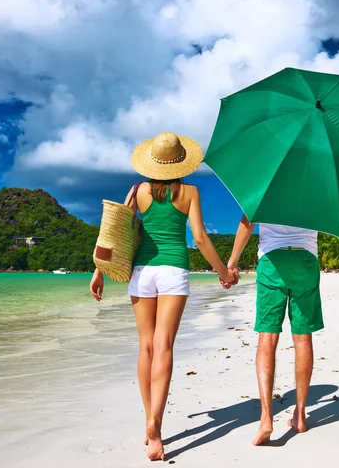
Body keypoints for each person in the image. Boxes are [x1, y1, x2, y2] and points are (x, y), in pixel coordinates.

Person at [90, 132, 239, 461]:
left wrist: (99, 270)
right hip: (173, 271)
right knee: (165, 346)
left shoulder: (137, 190)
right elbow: (199, 237)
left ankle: (149, 421)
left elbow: (114, 232)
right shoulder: (190, 192)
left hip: (142, 273)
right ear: (181, 162)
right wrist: (222, 271)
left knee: (145, 346)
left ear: (152, 162)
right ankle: (157, 423)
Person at [227, 217, 323, 445]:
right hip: (305, 260)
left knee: (267, 339)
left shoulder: (267, 184)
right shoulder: (317, 186)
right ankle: (300, 416)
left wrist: (231, 263)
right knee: (302, 338)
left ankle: (266, 418)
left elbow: (246, 223)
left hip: (273, 260)